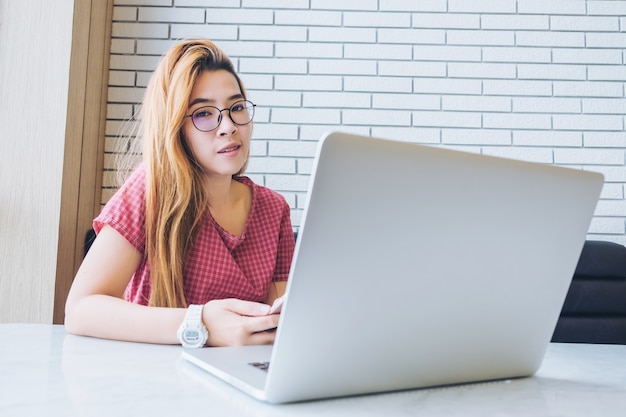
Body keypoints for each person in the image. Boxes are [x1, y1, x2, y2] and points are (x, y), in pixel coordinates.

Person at [65, 39, 295, 347]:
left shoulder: (272, 208)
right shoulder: (150, 191)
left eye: (237, 107)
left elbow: (273, 326)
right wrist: (199, 324)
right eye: (203, 113)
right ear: (176, 128)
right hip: (154, 380)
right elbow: (80, 310)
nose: (228, 126)